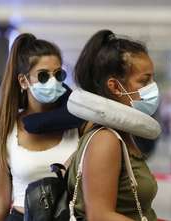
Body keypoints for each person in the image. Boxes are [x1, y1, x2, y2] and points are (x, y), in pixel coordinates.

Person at [0, 33, 84, 221]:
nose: (53, 81)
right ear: (23, 81)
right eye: (43, 76)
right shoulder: (6, 128)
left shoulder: (79, 124)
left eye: (58, 74)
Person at [67, 29, 159, 221]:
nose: (153, 86)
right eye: (145, 80)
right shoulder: (105, 139)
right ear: (115, 86)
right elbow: (100, 216)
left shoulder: (123, 134)